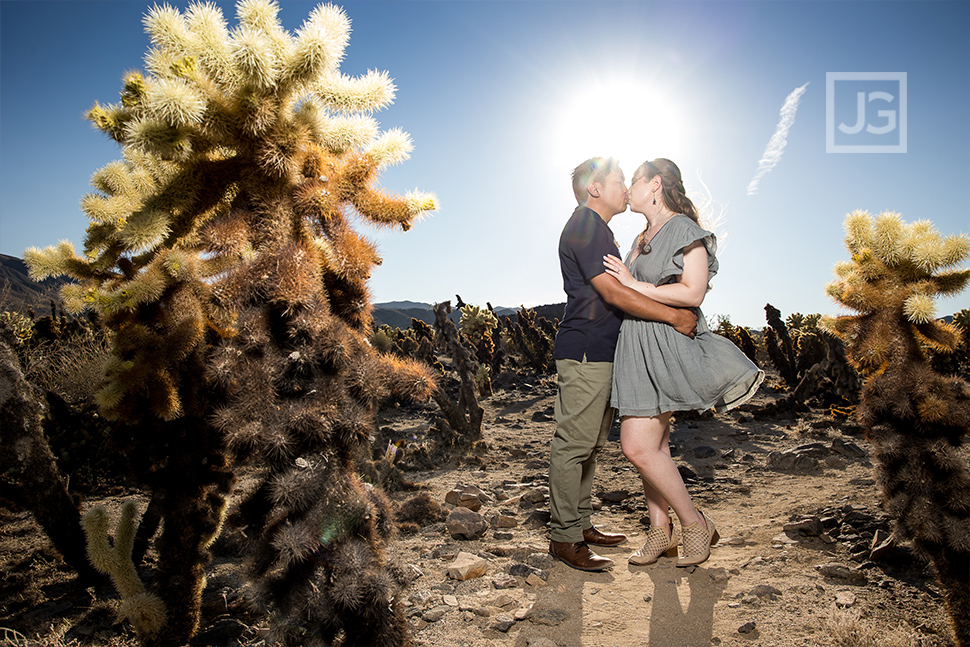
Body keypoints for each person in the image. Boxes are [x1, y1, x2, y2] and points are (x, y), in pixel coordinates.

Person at [603, 158, 764, 567]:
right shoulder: (640, 238)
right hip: (635, 342)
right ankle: (660, 532)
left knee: (636, 446)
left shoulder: (686, 231)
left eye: (632, 182)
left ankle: (696, 524)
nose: (627, 189)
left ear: (654, 184)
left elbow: (693, 293)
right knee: (654, 446)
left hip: (665, 341)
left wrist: (633, 283)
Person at [550, 157, 698, 572]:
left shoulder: (599, 230)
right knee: (573, 445)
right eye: (618, 180)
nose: (624, 187)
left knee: (592, 445)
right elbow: (612, 294)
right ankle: (564, 538)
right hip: (585, 351)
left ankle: (580, 524)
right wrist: (674, 316)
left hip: (603, 351)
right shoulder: (586, 227)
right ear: (595, 189)